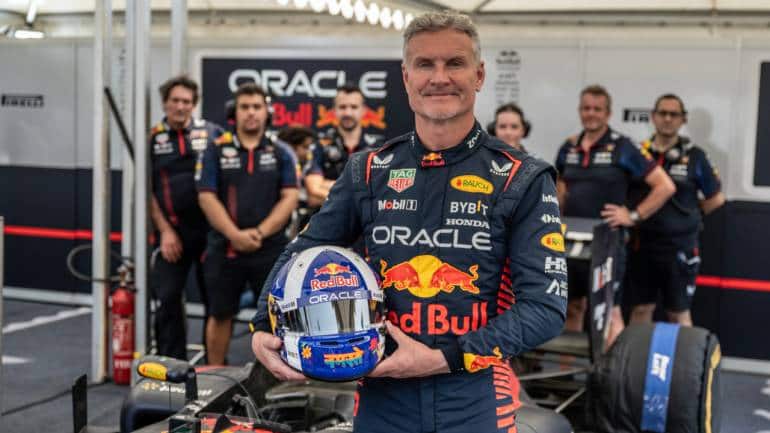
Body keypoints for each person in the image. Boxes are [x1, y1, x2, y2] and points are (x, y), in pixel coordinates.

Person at [251, 11, 567, 433]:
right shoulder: (368, 170)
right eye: (425, 64)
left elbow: (545, 308)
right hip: (383, 392)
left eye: (454, 63)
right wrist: (259, 327)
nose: (440, 77)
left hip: (475, 392)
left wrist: (440, 358)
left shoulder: (522, 177)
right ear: (406, 77)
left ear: (479, 75)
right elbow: (302, 253)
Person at [554, 84, 675, 346]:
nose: (591, 114)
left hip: (607, 242)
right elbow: (561, 185)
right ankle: (564, 377)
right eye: (586, 108)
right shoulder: (569, 147)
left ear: (608, 114)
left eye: (597, 109)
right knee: (572, 307)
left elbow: (665, 186)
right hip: (569, 242)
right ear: (580, 111)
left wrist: (632, 215)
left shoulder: (624, 147)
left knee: (610, 311)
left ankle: (611, 382)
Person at [196, 82, 299, 365]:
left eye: (256, 107)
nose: (251, 113)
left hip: (270, 248)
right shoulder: (215, 151)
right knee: (219, 313)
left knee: (278, 316)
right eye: (245, 107)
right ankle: (215, 374)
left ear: (267, 112)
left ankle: (278, 375)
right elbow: (206, 197)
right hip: (225, 247)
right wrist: (234, 234)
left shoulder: (281, 151)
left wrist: (259, 233)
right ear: (235, 112)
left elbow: (290, 197)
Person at [627, 94, 725, 326]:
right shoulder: (639, 153)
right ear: (653, 117)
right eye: (663, 113)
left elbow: (716, 198)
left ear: (683, 120)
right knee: (641, 309)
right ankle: (635, 362)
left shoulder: (695, 156)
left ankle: (682, 364)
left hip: (680, 248)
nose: (668, 119)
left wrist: (690, 215)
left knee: (678, 313)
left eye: (674, 114)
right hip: (643, 245)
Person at [149, 75, 223, 360]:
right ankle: (171, 367)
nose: (181, 107)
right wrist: (165, 231)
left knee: (216, 304)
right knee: (167, 299)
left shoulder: (213, 134)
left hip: (210, 235)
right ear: (165, 103)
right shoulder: (153, 139)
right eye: (175, 101)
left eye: (187, 102)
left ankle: (214, 369)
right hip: (171, 236)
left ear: (194, 105)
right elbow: (147, 191)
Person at [304, 83, 384, 205]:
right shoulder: (321, 145)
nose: (348, 113)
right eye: (342, 107)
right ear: (334, 110)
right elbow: (314, 191)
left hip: (367, 223)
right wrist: (361, 194)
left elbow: (383, 190)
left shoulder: (379, 146)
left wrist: (326, 184)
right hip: (327, 220)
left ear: (363, 110)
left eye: (353, 107)